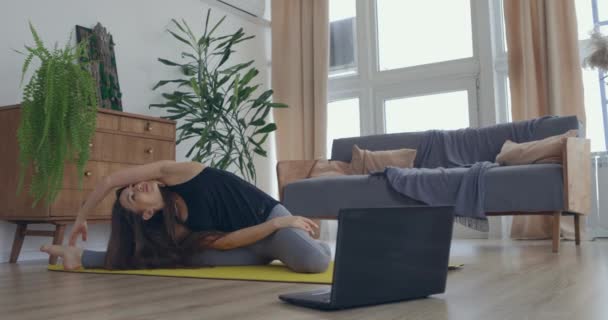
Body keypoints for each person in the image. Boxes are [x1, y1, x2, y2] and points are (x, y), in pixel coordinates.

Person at [40, 161, 331, 273]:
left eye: (129, 188)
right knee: (180, 256)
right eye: (132, 197)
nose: (134, 187)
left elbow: (109, 181)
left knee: (315, 262)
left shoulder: (176, 173)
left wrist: (81, 217)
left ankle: (320, 246)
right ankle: (79, 256)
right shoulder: (178, 229)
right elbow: (227, 243)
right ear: (146, 213)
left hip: (271, 218)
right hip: (252, 242)